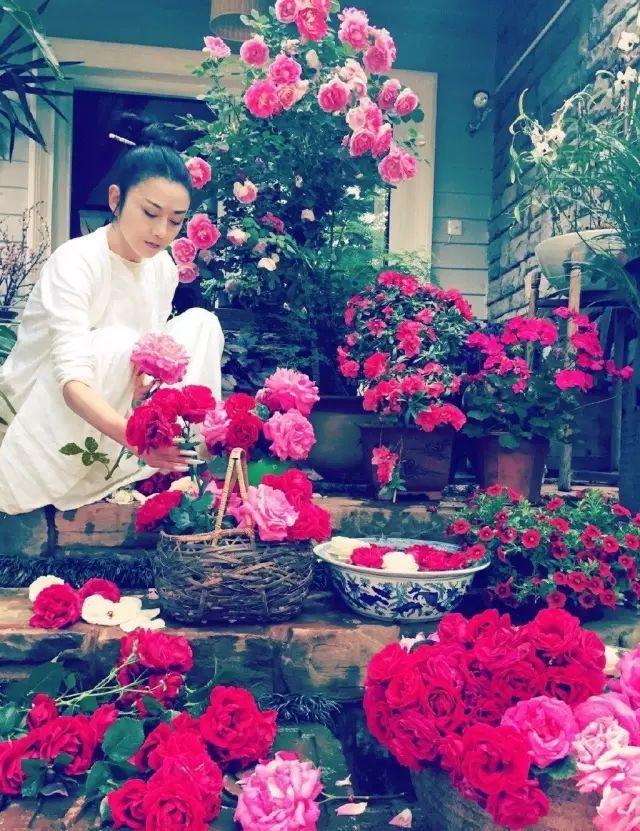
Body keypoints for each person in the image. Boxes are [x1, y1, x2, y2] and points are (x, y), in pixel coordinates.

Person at [0, 115, 224, 515]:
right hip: (44, 401)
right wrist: (139, 440)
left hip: (117, 404)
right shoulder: (76, 261)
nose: (161, 231)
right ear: (115, 199)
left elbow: (149, 356)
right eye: (150, 213)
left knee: (201, 325)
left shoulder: (163, 267)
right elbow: (72, 379)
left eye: (175, 221)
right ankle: (104, 467)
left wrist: (145, 397)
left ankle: (179, 456)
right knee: (118, 341)